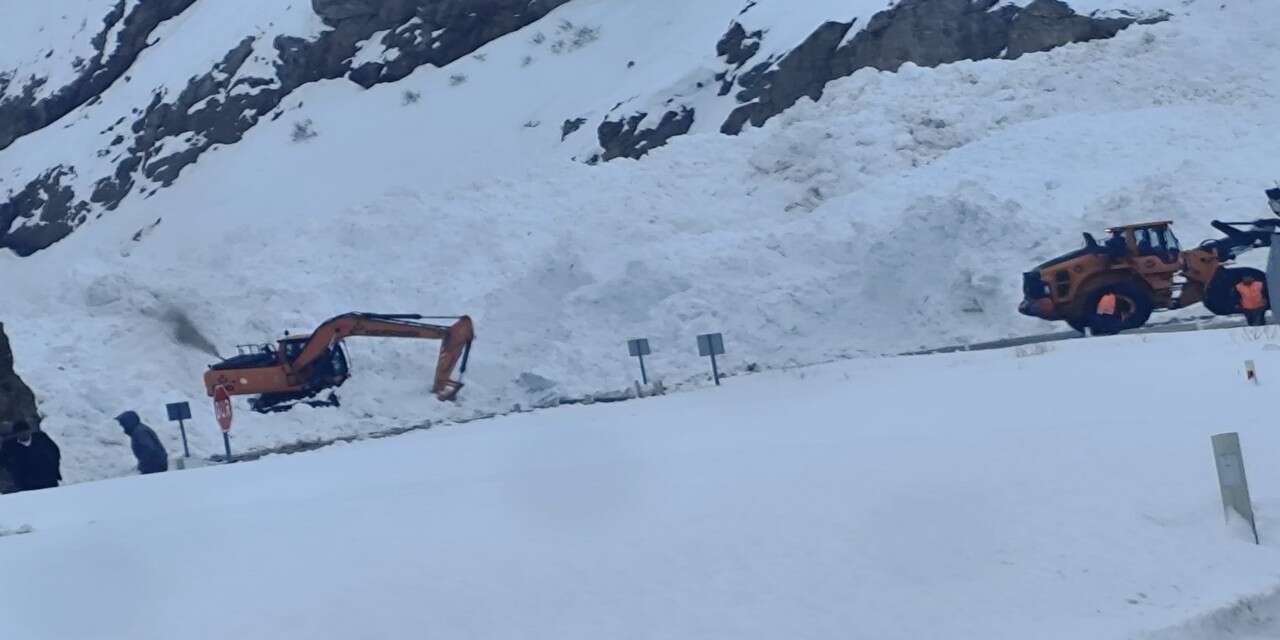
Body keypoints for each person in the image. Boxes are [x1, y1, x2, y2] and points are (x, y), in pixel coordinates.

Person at [0, 421, 62, 491]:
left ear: (30, 431)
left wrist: (53, 468)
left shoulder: (41, 438)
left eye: (25, 431)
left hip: (48, 479)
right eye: (20, 433)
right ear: (16, 434)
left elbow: (55, 451)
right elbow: (3, 460)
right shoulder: (9, 445)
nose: (23, 434)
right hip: (25, 483)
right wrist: (12, 468)